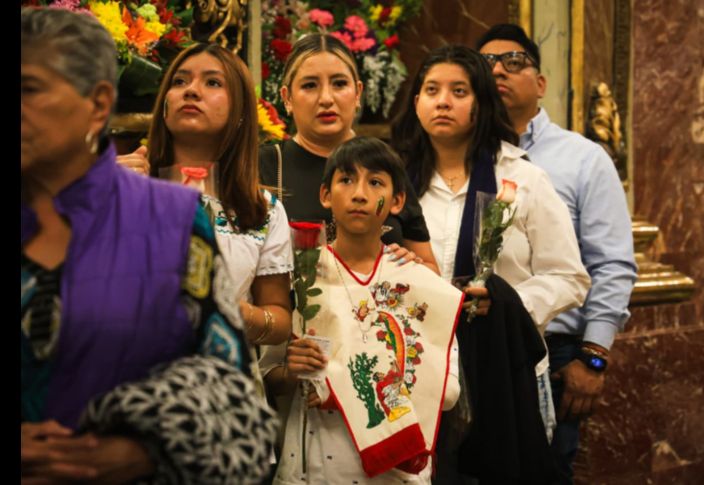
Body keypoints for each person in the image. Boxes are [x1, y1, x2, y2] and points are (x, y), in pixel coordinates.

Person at [21, 8, 276, 483]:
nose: (192, 92)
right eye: (180, 81)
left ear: (98, 105)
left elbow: (237, 413)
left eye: (29, 89)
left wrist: (138, 452)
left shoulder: (175, 221)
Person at [391, 44, 590, 483]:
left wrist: (506, 302)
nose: (443, 101)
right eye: (432, 90)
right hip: (413, 369)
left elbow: (570, 277)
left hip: (503, 368)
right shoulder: (394, 177)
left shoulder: (522, 178)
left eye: (459, 91)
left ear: (480, 104)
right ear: (417, 102)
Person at [477, 24, 638, 484]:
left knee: (543, 473)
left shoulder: (583, 158)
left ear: (541, 83)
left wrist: (593, 357)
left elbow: (611, 263)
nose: (499, 73)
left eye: (514, 62)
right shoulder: (458, 156)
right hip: (472, 348)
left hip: (555, 351)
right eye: (487, 64)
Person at [261, 136, 464, 484]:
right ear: (325, 195)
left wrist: (359, 382)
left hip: (397, 470)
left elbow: (447, 393)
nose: (359, 194)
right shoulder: (301, 274)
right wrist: (294, 371)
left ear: (398, 200)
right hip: (316, 463)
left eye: (375, 182)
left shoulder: (417, 283)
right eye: (346, 180)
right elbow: (269, 374)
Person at [120, 43, 293, 363]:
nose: (191, 91)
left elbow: (280, 318)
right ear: (164, 106)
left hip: (223, 390)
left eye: (212, 82)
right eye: (179, 81)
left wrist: (236, 312)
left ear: (241, 112)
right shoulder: (123, 185)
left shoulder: (263, 210)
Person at [258, 33, 439, 273]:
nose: (326, 98)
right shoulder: (265, 165)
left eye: (339, 84)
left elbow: (431, 272)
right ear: (287, 98)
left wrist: (411, 266)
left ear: (358, 93)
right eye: (310, 85)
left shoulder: (384, 163)